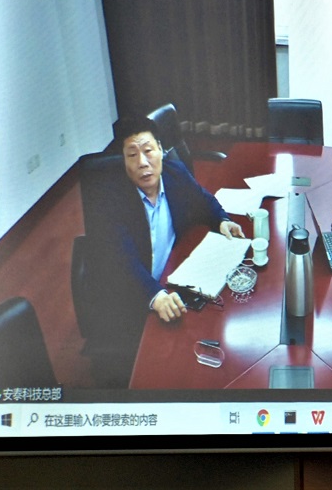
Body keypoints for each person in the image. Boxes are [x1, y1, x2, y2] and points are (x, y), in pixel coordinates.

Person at [83, 116, 244, 386]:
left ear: (160, 149)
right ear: (123, 161)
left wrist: (221, 220)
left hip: (175, 278)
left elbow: (203, 198)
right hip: (133, 294)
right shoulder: (110, 199)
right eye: (132, 155)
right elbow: (122, 261)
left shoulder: (174, 172)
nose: (143, 162)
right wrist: (155, 296)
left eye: (148, 151)